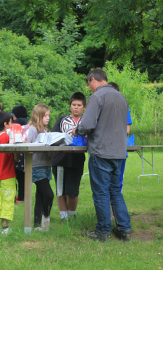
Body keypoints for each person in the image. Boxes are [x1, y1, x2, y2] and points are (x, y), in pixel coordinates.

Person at [77, 68, 131, 242]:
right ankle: (123, 229)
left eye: (89, 84)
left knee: (101, 193)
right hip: (119, 152)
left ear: (92, 79)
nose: (90, 88)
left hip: (102, 151)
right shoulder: (120, 96)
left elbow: (86, 125)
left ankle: (103, 231)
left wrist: (77, 130)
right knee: (116, 191)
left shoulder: (97, 97)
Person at [51, 92, 87, 220]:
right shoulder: (62, 119)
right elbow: (53, 136)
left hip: (77, 159)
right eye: (73, 104)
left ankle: (72, 215)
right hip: (60, 158)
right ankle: (63, 216)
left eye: (79, 105)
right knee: (60, 189)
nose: (76, 107)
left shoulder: (86, 121)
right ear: (70, 106)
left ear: (84, 107)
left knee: (72, 190)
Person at [24, 104, 54, 231]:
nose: (48, 118)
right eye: (45, 115)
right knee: (49, 194)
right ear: (38, 116)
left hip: (46, 166)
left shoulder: (46, 131)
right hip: (36, 166)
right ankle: (46, 218)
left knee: (40, 196)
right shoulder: (32, 129)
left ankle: (37, 225)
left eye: (48, 115)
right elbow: (27, 147)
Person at [10, 105, 29, 203]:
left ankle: (15, 197)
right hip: (27, 152)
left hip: (17, 152)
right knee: (23, 177)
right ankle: (22, 197)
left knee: (16, 176)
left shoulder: (15, 123)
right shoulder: (29, 122)